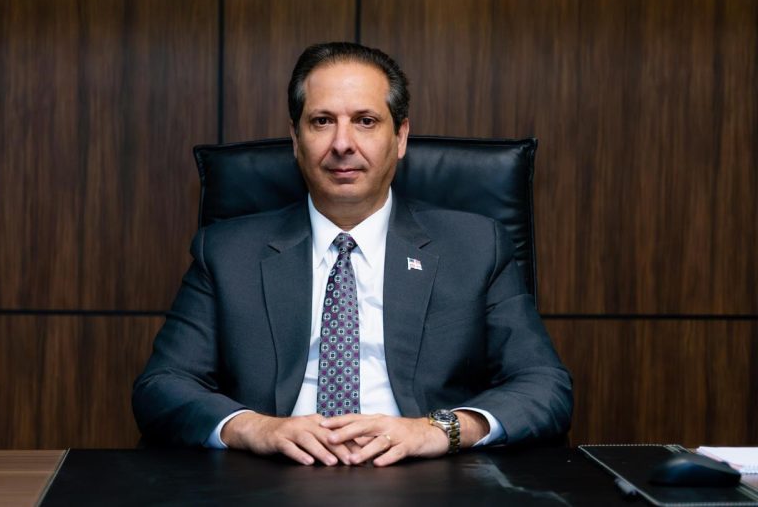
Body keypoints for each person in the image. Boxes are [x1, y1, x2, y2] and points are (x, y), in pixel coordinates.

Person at [133, 42, 572, 467]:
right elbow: (161, 386)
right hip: (271, 477)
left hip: (426, 478)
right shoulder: (227, 253)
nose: (342, 143)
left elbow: (544, 385)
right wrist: (256, 428)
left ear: (400, 136)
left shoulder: (475, 247)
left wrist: (439, 429)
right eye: (322, 121)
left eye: (365, 121)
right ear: (296, 138)